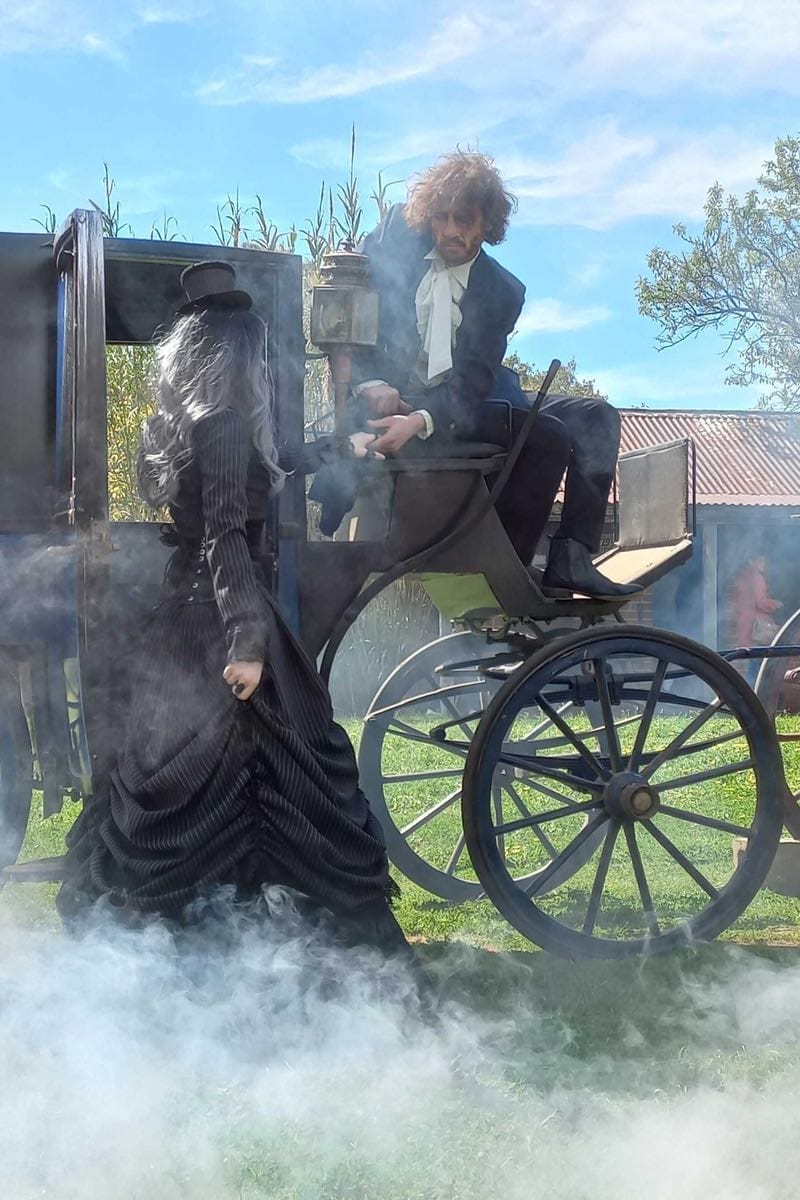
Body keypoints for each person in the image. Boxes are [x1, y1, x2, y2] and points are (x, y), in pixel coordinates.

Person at [57, 261, 410, 960]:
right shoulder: (221, 422)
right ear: (237, 350)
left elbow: (266, 464)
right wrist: (246, 642)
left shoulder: (190, 420)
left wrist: (345, 444)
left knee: (204, 782)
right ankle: (273, 950)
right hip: (221, 620)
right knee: (277, 768)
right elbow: (224, 532)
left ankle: (198, 947)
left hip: (188, 613)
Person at [346, 151, 639, 600]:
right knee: (549, 438)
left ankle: (571, 557)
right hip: (396, 399)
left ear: (488, 223)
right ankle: (506, 569)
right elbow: (349, 303)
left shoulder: (503, 292)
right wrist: (369, 384)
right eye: (440, 218)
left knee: (597, 417)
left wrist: (419, 420)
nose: (449, 231)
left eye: (463, 221)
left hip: (460, 402)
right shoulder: (394, 241)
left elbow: (471, 383)